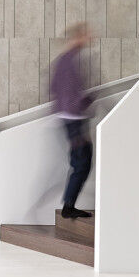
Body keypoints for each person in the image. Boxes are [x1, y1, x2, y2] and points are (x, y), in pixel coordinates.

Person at [51, 22, 95, 219]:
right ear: (77, 37)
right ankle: (68, 207)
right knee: (82, 163)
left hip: (69, 118)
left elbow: (54, 88)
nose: (90, 38)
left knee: (80, 162)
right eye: (86, 34)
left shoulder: (64, 60)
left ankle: (69, 205)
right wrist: (87, 100)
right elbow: (71, 94)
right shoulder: (70, 61)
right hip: (74, 119)